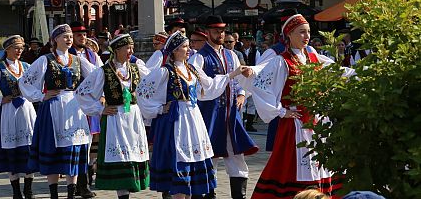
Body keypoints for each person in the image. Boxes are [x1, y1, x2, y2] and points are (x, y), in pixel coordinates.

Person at [137, 31, 247, 199]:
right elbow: (143, 90)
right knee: (180, 162)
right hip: (177, 122)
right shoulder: (165, 71)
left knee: (193, 166)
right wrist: (159, 109)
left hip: (193, 119)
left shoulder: (192, 70)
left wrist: (232, 74)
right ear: (174, 50)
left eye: (188, 46)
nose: (188, 50)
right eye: (184, 47)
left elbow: (209, 87)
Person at [246, 14, 346, 198]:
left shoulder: (313, 56)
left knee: (321, 164)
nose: (306, 36)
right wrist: (281, 111)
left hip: (317, 121)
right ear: (289, 34)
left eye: (308, 32)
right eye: (301, 32)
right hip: (296, 125)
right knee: (292, 167)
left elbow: (337, 72)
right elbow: (259, 85)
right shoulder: (281, 60)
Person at [19, 24, 95, 199]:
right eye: (65, 37)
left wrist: (88, 96)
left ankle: (70, 193)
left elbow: (95, 77)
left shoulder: (77, 60)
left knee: (73, 150)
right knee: (53, 150)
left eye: (70, 36)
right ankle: (54, 194)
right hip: (53, 109)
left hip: (74, 109)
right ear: (55, 40)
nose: (69, 39)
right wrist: (40, 95)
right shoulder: (45, 59)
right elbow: (25, 81)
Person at [190, 16, 258, 199]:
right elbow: (202, 87)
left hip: (231, 114)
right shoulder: (199, 58)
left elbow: (240, 79)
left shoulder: (231, 54)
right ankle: (208, 194)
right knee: (210, 156)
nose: (220, 34)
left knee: (236, 155)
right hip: (210, 114)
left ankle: (240, 196)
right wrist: (232, 75)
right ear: (207, 32)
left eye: (222, 30)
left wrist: (243, 92)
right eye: (215, 31)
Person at [76, 34, 150, 199]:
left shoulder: (136, 68)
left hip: (133, 118)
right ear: (116, 50)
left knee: (132, 155)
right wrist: (100, 109)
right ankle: (122, 195)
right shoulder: (104, 71)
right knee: (120, 156)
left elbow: (152, 85)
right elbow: (81, 93)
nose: (131, 51)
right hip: (115, 119)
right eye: (127, 48)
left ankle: (129, 190)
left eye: (132, 47)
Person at [0, 35, 37, 199]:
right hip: (9, 112)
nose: (19, 51)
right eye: (16, 48)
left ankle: (29, 190)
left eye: (21, 48)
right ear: (7, 50)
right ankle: (16, 191)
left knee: (28, 149)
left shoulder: (27, 66)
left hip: (26, 111)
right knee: (12, 150)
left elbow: (38, 85)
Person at [68, 21, 102, 198]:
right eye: (79, 35)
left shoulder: (92, 54)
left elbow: (101, 73)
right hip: (73, 104)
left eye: (84, 34)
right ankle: (80, 184)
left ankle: (88, 180)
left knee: (91, 143)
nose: (83, 37)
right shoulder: (68, 55)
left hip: (90, 102)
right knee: (79, 143)